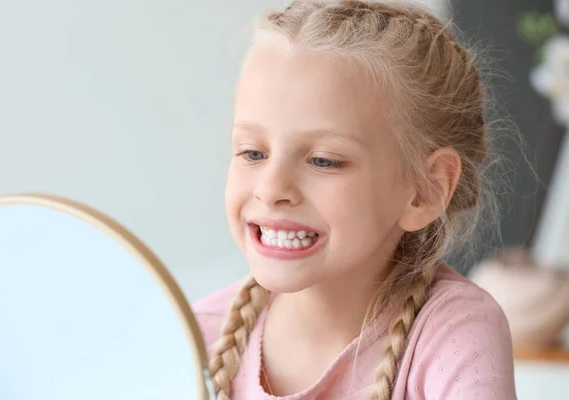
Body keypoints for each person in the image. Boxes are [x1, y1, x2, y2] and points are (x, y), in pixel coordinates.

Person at [194, 1, 517, 399]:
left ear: (425, 189)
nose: (271, 188)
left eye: (323, 160)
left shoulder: (453, 333)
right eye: (252, 153)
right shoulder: (192, 334)